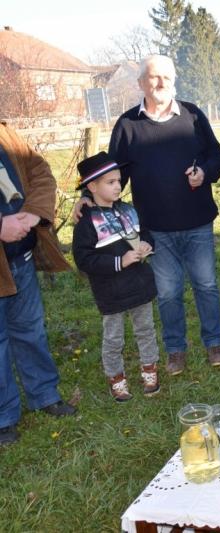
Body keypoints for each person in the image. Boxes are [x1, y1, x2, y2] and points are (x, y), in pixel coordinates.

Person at [75, 55, 220, 375]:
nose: (160, 84)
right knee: (169, 292)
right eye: (154, 78)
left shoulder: (193, 115)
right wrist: (86, 198)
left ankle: (214, 342)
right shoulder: (128, 125)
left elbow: (217, 156)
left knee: (206, 285)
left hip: (198, 221)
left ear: (175, 80)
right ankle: (176, 350)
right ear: (141, 83)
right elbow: (111, 173)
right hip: (153, 228)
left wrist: (204, 171)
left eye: (166, 78)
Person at [0, 121, 75, 446]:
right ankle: (4, 417)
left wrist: (32, 214)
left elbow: (40, 171)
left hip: (21, 258)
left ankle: (45, 395)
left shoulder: (5, 132)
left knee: (30, 330)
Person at [72, 152, 159, 402]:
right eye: (110, 182)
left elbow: (147, 234)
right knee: (113, 338)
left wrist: (145, 245)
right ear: (92, 186)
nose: (118, 186)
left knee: (146, 330)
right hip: (111, 292)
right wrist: (119, 262)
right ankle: (116, 378)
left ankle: (150, 370)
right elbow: (84, 259)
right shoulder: (86, 222)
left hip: (140, 285)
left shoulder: (129, 211)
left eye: (119, 181)